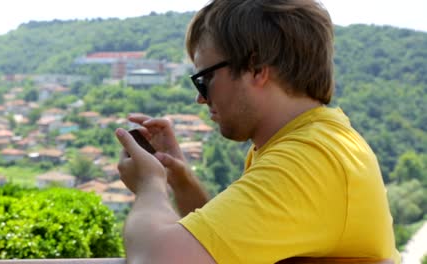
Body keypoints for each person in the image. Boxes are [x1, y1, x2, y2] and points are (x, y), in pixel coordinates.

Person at [114, 0, 400, 263]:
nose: (200, 98)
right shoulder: (309, 142)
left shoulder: (309, 160)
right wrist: (179, 178)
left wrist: (149, 185)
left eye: (205, 79)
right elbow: (218, 247)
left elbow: (156, 259)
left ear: (256, 69)